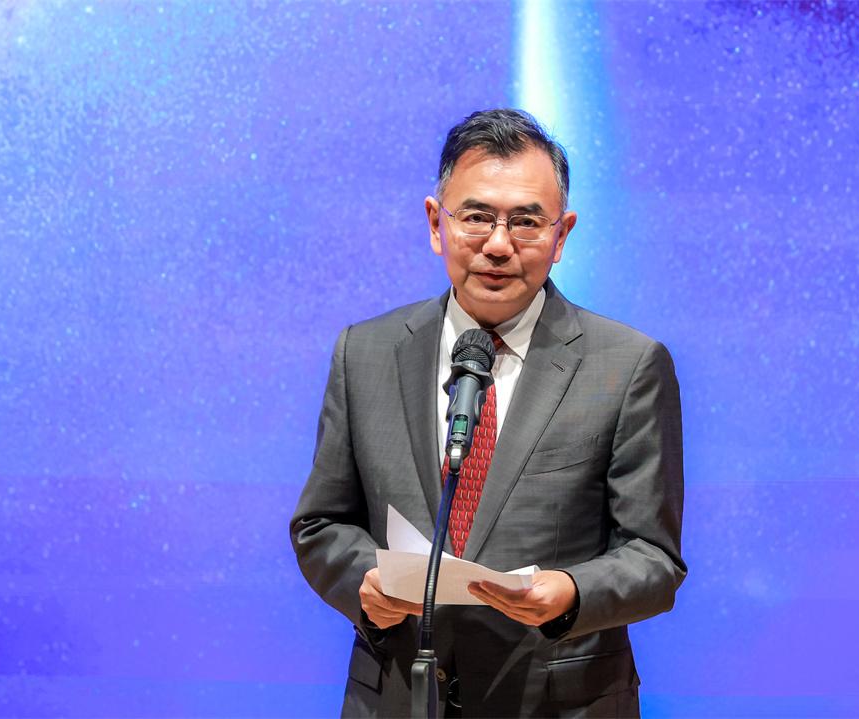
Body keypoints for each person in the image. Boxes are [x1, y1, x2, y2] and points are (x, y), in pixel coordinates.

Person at [289, 108, 685, 718]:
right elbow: (321, 524)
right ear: (435, 223)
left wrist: (573, 591)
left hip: (557, 700)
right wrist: (366, 581)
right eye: (476, 217)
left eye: (526, 222)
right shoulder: (364, 353)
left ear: (561, 236)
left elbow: (654, 558)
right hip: (396, 697)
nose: (498, 245)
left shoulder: (627, 365)